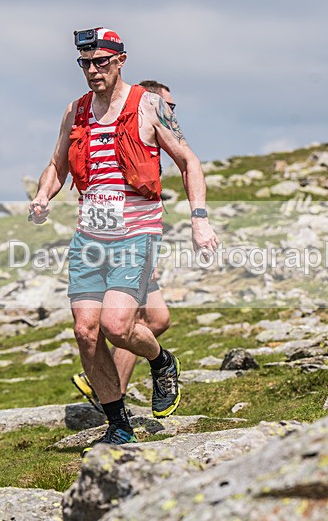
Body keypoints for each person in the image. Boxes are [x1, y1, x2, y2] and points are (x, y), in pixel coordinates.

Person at [29, 28, 218, 449]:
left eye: (101, 62)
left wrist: (199, 219)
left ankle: (161, 360)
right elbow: (57, 165)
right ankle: (119, 424)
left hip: (138, 234)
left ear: (121, 60)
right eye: (85, 64)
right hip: (89, 239)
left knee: (117, 325)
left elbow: (189, 161)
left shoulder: (150, 106)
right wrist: (43, 195)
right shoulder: (74, 111)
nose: (93, 71)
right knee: (86, 331)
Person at [70, 80, 175, 410]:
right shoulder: (126, 128)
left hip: (136, 241)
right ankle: (110, 395)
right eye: (165, 105)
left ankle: (104, 386)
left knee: (157, 321)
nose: (169, 112)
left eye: (172, 108)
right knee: (124, 323)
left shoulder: (154, 140)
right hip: (116, 244)